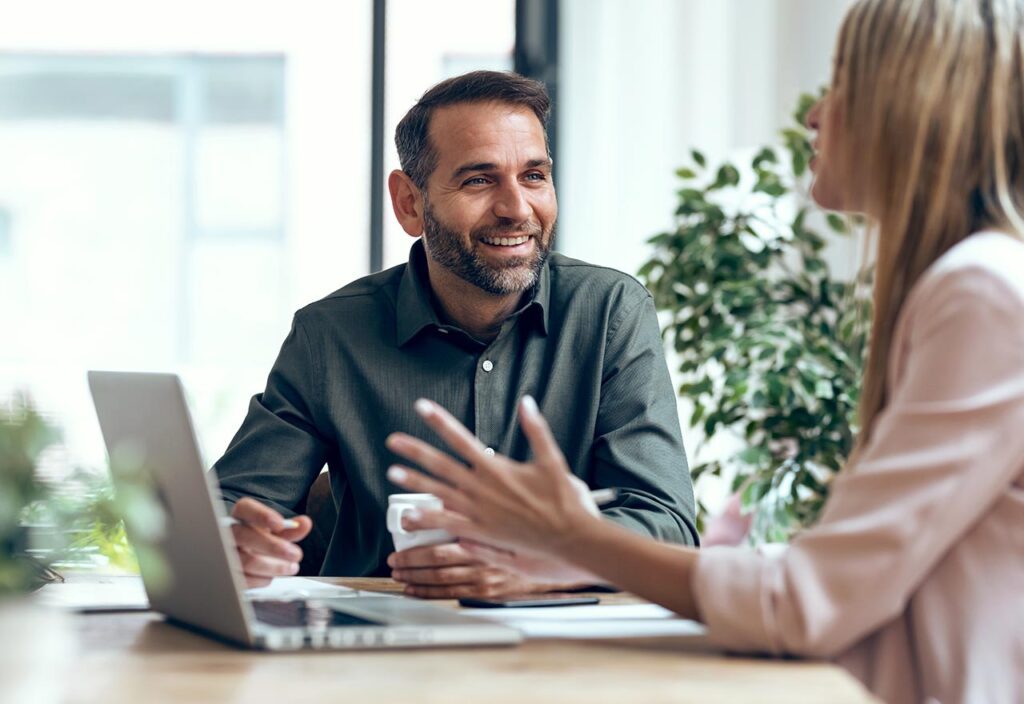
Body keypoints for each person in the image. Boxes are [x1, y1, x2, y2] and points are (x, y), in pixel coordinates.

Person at [383, 1, 1024, 701]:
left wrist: (574, 539)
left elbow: (807, 601)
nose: (814, 115)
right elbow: (855, 577)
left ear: (912, 107)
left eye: (841, 82)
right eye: (480, 178)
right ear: (410, 204)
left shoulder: (983, 293)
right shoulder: (962, 288)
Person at [214, 70, 698, 598]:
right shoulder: (329, 334)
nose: (516, 209)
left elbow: (667, 525)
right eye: (479, 180)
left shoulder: (610, 312)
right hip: (376, 642)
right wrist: (239, 543)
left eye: (534, 176)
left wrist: (545, 561)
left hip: (558, 648)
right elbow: (231, 504)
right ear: (409, 203)